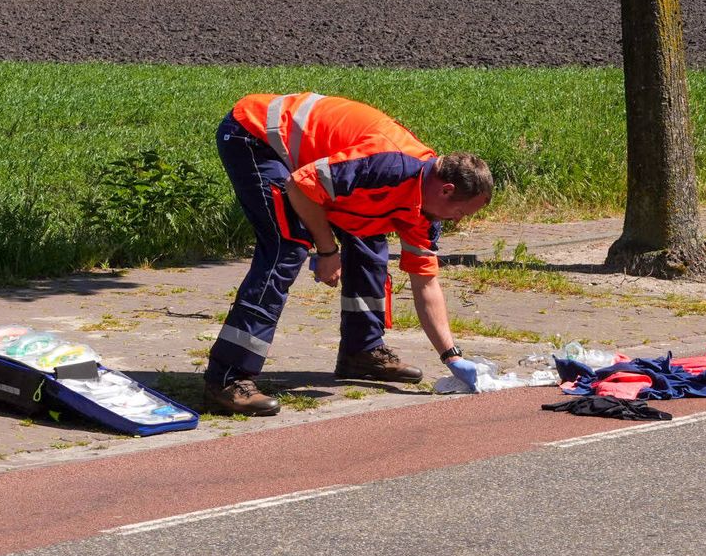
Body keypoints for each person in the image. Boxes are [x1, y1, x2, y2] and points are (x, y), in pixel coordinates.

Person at [202, 92, 493, 416]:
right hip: (256, 136)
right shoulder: (386, 165)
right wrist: (327, 250)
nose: (457, 221)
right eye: (460, 213)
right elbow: (300, 187)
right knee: (287, 246)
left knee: (369, 241)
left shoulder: (423, 207)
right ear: (446, 190)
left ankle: (361, 351)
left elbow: (425, 283)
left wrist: (452, 356)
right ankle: (227, 378)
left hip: (310, 168)